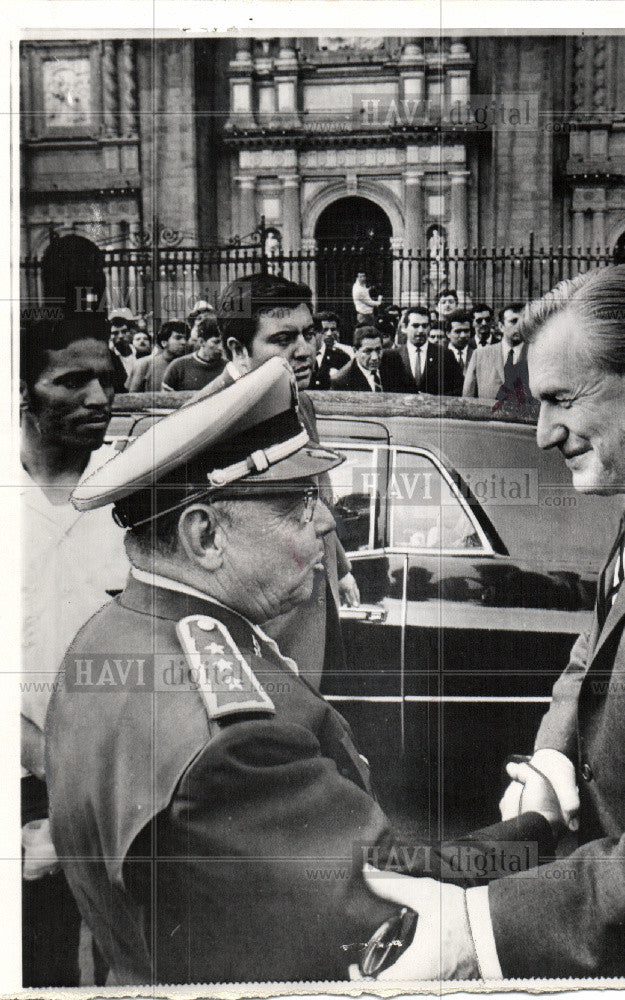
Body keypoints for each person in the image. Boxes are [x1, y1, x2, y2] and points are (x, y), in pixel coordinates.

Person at [45, 358, 553, 986]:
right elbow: (383, 893)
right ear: (204, 536)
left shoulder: (108, 636)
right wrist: (537, 829)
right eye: (295, 504)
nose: (326, 520)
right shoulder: (234, 739)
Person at [362, 264, 625, 980]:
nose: (541, 433)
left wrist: (480, 929)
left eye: (560, 399)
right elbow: (594, 653)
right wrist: (557, 761)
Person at [20, 312, 129, 986]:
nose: (100, 398)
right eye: (73, 382)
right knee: (39, 957)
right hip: (22, 787)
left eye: (108, 381)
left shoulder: (138, 490)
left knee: (139, 954)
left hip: (123, 780)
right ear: (21, 390)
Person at [193, 272, 361, 676]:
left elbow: (318, 496)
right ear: (237, 349)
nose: (305, 350)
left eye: (309, 333)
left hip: (313, 608)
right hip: (253, 634)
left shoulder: (300, 402)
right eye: (283, 340)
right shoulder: (202, 424)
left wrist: (343, 568)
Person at [463, 302, 536, 414]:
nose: (519, 326)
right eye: (513, 321)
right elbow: (467, 399)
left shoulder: (535, 354)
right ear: (501, 326)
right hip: (489, 425)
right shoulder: (480, 355)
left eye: (523, 321)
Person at [396, 307, 463, 395]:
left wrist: (433, 400)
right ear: (404, 327)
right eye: (415, 326)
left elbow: (459, 389)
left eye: (424, 326)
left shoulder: (445, 355)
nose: (420, 330)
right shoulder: (394, 356)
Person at [333, 325, 416, 393]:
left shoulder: (393, 360)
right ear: (355, 351)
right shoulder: (342, 381)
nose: (375, 357)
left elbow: (411, 392)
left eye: (378, 350)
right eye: (368, 351)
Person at [161, 315, 225, 391]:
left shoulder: (227, 366)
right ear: (201, 342)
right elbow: (165, 399)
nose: (221, 347)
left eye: (223, 343)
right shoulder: (178, 367)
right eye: (216, 342)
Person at [126, 320, 189, 392]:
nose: (184, 342)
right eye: (178, 338)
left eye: (186, 338)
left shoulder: (188, 365)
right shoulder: (144, 364)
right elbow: (133, 396)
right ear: (164, 343)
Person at [312, 311, 354, 389]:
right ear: (315, 332)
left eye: (333, 329)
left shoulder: (343, 355)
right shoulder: (306, 354)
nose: (329, 334)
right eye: (325, 330)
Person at [108, 308, 136, 389]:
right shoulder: (109, 358)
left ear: (131, 333)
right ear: (110, 336)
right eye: (115, 333)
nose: (120, 336)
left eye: (124, 331)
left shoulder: (141, 354)